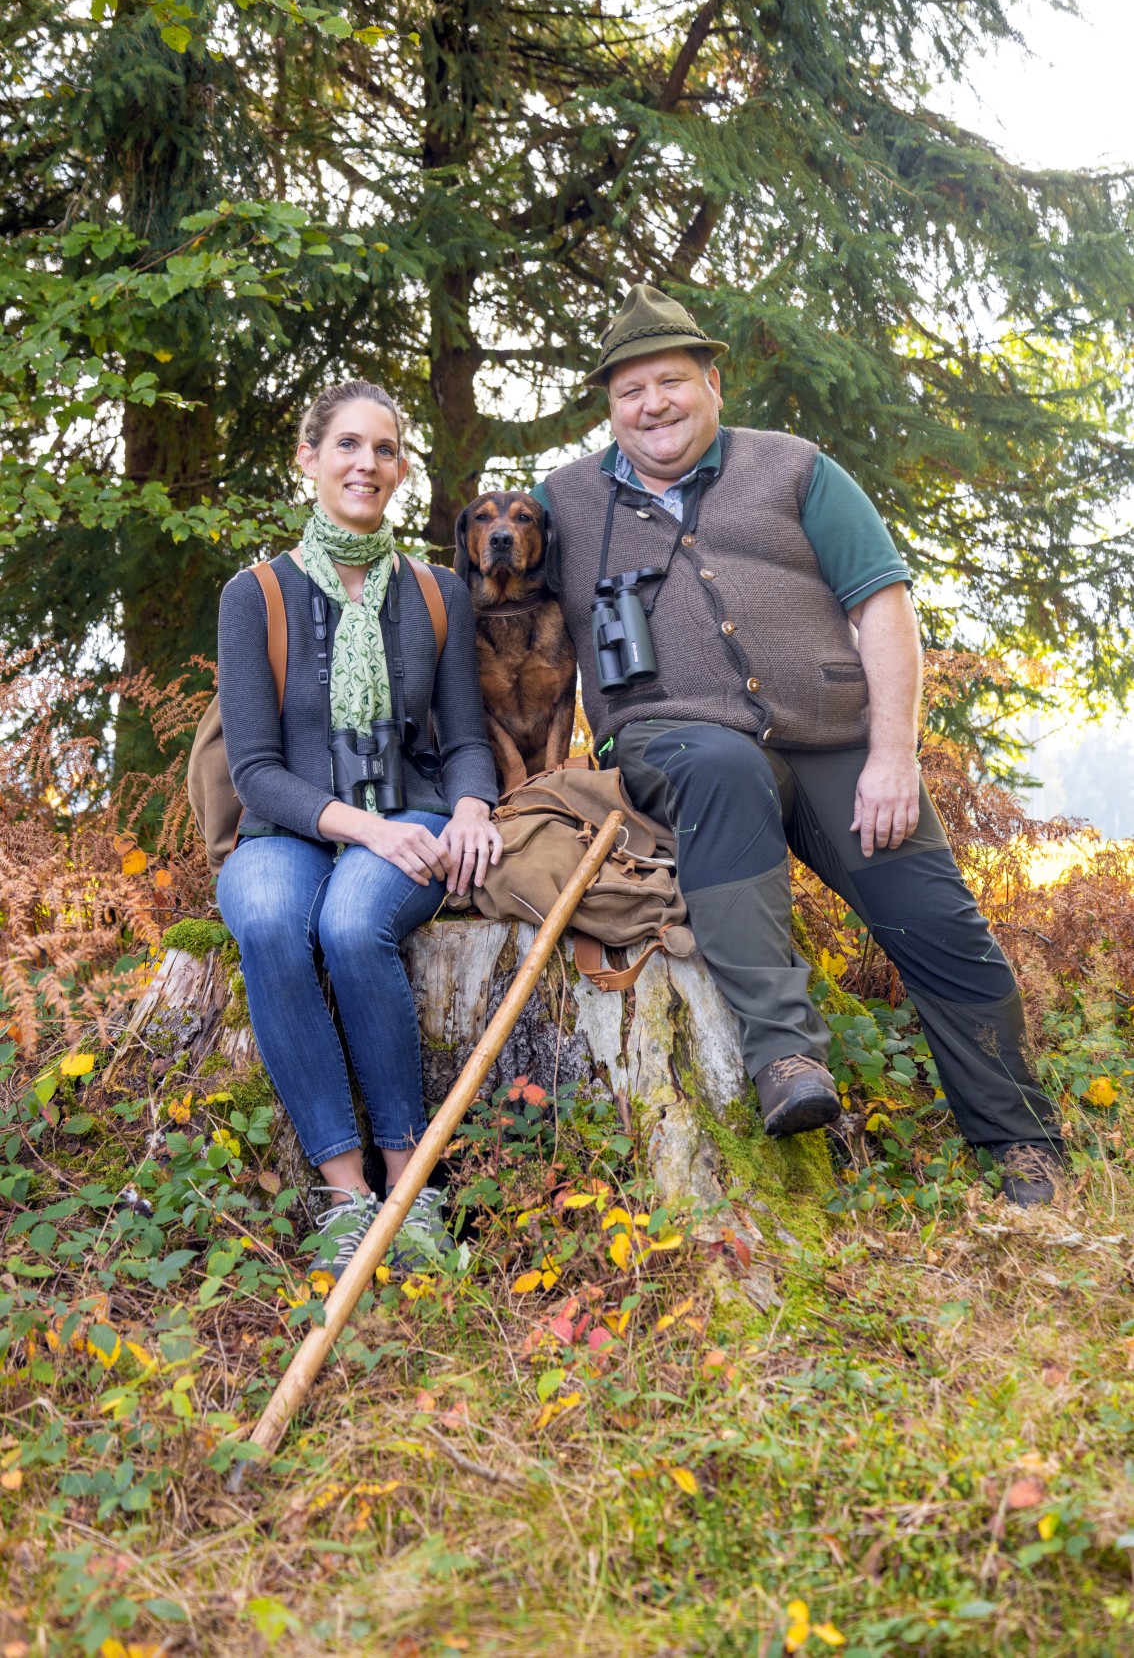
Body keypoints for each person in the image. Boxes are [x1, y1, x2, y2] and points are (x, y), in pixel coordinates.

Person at [535, 285, 1063, 1207]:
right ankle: (786, 1059)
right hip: (672, 742)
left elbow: (882, 605)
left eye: (671, 382)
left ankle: (1023, 1148)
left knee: (941, 926)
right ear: (609, 408)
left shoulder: (797, 469)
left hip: (834, 742)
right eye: (630, 392)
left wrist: (892, 756)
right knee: (724, 765)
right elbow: (491, 611)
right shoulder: (562, 502)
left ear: (713, 383)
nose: (653, 405)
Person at [215, 380, 502, 1278]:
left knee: (350, 923)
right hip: (285, 826)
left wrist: (470, 806)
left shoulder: (437, 592)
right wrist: (363, 830)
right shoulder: (255, 594)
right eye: (346, 444)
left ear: (402, 469)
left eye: (384, 449)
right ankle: (346, 1196)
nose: (366, 464)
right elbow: (254, 768)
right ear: (308, 458)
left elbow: (465, 740)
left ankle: (409, 1189)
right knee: (269, 919)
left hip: (413, 814)